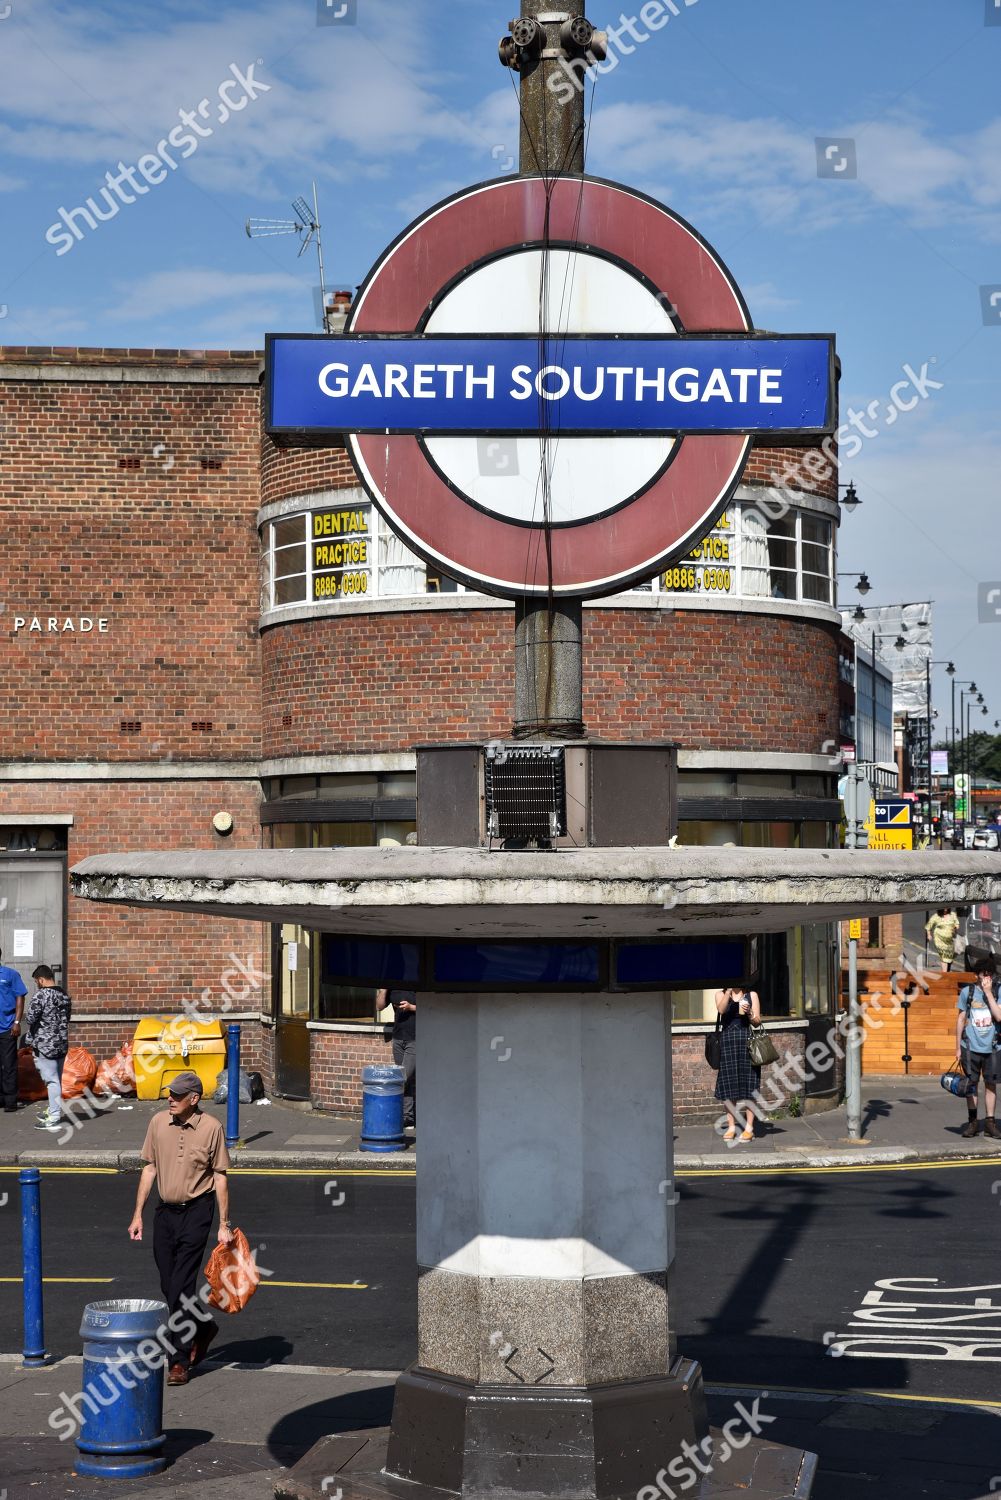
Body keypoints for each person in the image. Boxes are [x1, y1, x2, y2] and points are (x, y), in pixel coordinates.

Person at [128, 1071, 234, 1385]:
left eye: (176, 1095)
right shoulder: (158, 1123)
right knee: (167, 1284)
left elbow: (220, 1177)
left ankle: (178, 1360)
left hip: (198, 1211)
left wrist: (224, 1225)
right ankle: (203, 1327)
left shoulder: (212, 1128)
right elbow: (150, 1169)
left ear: (194, 1099)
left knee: (181, 1287)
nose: (170, 1099)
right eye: (169, 1094)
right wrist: (138, 1215)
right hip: (165, 1213)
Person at [956, 959, 1001, 1139]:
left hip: (993, 1048)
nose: (987, 977)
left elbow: (999, 1017)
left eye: (990, 974)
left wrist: (989, 993)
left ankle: (990, 1123)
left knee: (991, 1085)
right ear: (976, 976)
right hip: (970, 1047)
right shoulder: (968, 992)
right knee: (971, 1085)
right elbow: (960, 1019)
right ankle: (973, 1122)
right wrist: (957, 1047)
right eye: (984, 974)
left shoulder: (998, 991)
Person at [24, 965, 72, 1132]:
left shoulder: (41, 995)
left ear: (41, 980)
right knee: (56, 1080)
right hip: (61, 1043)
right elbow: (68, 1018)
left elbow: (30, 1018)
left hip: (45, 1044)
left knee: (52, 1082)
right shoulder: (64, 995)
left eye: (37, 981)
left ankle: (54, 1116)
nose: (37, 984)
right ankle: (53, 1110)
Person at [713, 983, 762, 1142]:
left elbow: (757, 1022)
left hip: (746, 1043)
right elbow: (721, 1010)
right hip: (727, 1043)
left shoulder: (751, 995)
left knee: (749, 1085)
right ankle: (732, 1126)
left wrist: (749, 1013)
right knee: (729, 1086)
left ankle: (749, 1128)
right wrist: (727, 991)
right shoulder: (720, 994)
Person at [376, 986, 417, 1130]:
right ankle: (408, 1118)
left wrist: (411, 1007)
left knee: (402, 1077)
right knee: (406, 1080)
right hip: (398, 1038)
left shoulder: (417, 984)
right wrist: (384, 990)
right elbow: (379, 1007)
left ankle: (390, 1112)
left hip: (416, 1038)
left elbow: (433, 1008)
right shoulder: (393, 986)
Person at [0, 947, 28, 1114]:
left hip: (7, 1028)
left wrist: (17, 1022)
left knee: (9, 1065)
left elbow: (20, 997)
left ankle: (11, 1100)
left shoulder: (10, 974)